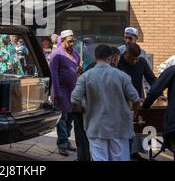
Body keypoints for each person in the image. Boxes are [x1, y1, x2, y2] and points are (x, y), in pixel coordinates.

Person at [72, 45, 140, 161]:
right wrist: (135, 114)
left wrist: (83, 109)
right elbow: (135, 99)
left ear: (95, 56)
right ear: (110, 58)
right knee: (119, 158)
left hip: (96, 126)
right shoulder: (122, 76)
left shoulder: (85, 77)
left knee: (99, 158)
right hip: (119, 127)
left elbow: (74, 99)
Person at [49, 30, 90, 160]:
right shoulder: (56, 54)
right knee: (62, 118)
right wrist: (57, 92)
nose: (72, 43)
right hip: (61, 90)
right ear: (63, 40)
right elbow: (53, 75)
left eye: (73, 41)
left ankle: (66, 141)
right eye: (70, 41)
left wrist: (80, 70)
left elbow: (77, 69)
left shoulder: (76, 54)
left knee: (71, 117)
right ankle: (62, 144)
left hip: (73, 91)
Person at [118, 43, 156, 160]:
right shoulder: (118, 62)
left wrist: (159, 93)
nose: (134, 61)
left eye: (136, 59)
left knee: (137, 130)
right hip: (121, 102)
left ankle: (133, 153)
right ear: (125, 54)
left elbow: (151, 79)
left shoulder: (142, 62)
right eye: (131, 59)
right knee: (125, 133)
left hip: (136, 101)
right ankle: (125, 155)